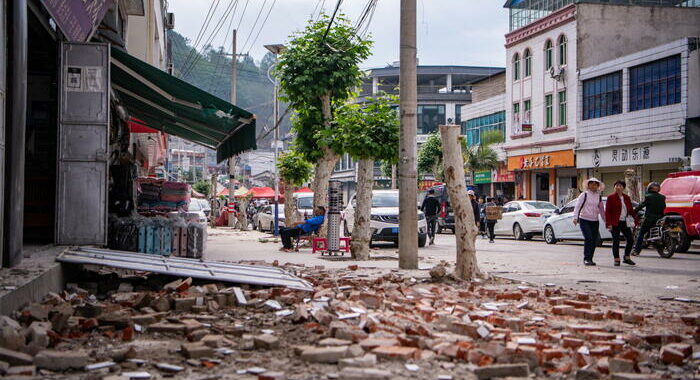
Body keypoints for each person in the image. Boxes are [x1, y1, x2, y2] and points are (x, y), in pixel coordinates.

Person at [573, 178, 606, 266]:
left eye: (596, 184)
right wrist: (575, 217)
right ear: (588, 185)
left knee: (594, 240)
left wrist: (606, 221)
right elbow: (577, 206)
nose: (593, 185)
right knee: (588, 238)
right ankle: (586, 258)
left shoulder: (598, 196)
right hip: (584, 220)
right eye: (591, 183)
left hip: (595, 221)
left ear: (598, 186)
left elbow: (602, 210)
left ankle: (590, 258)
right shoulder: (584, 195)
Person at [605, 180, 637, 266]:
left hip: (625, 222)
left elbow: (630, 210)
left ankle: (626, 257)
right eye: (616, 186)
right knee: (616, 240)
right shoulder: (611, 197)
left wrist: (636, 220)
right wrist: (608, 224)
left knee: (630, 239)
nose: (618, 187)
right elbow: (607, 211)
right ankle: (616, 259)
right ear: (614, 187)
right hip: (615, 222)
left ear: (623, 188)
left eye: (620, 186)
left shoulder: (626, 197)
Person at [632, 182, 666, 255]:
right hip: (660, 219)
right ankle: (659, 247)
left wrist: (633, 212)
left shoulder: (648, 196)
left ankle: (636, 251)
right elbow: (664, 207)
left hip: (649, 219)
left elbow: (641, 205)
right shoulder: (662, 197)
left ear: (649, 188)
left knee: (641, 233)